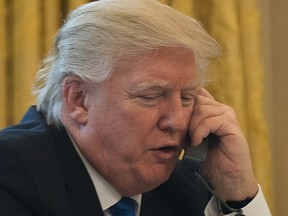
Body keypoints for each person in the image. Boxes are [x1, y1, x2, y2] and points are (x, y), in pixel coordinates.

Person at [0, 0, 271, 215]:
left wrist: (236, 191)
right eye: (151, 95)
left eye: (187, 97)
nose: (177, 121)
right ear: (79, 100)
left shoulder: (184, 187)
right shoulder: (11, 176)